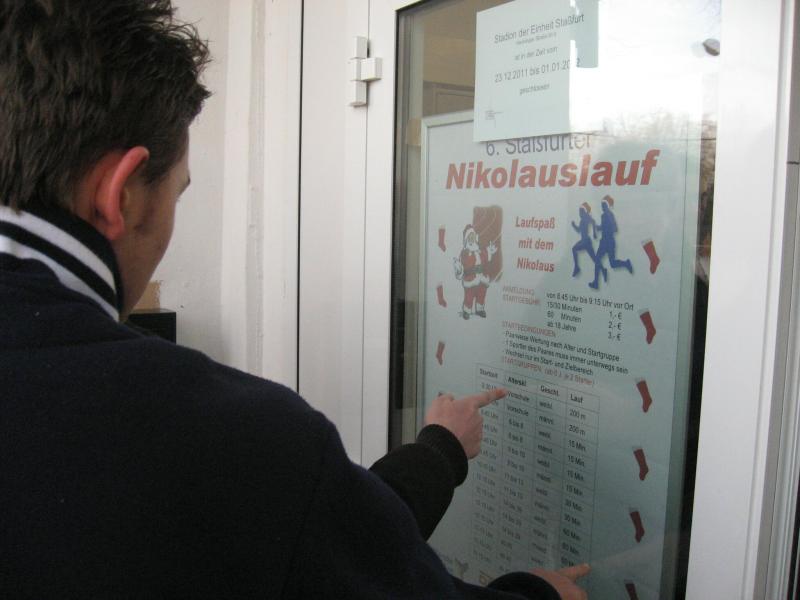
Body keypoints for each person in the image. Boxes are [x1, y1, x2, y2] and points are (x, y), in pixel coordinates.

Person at [0, 2, 589, 599]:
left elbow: (310, 543)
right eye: (178, 194)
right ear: (122, 193)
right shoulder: (223, 434)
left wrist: (439, 452)